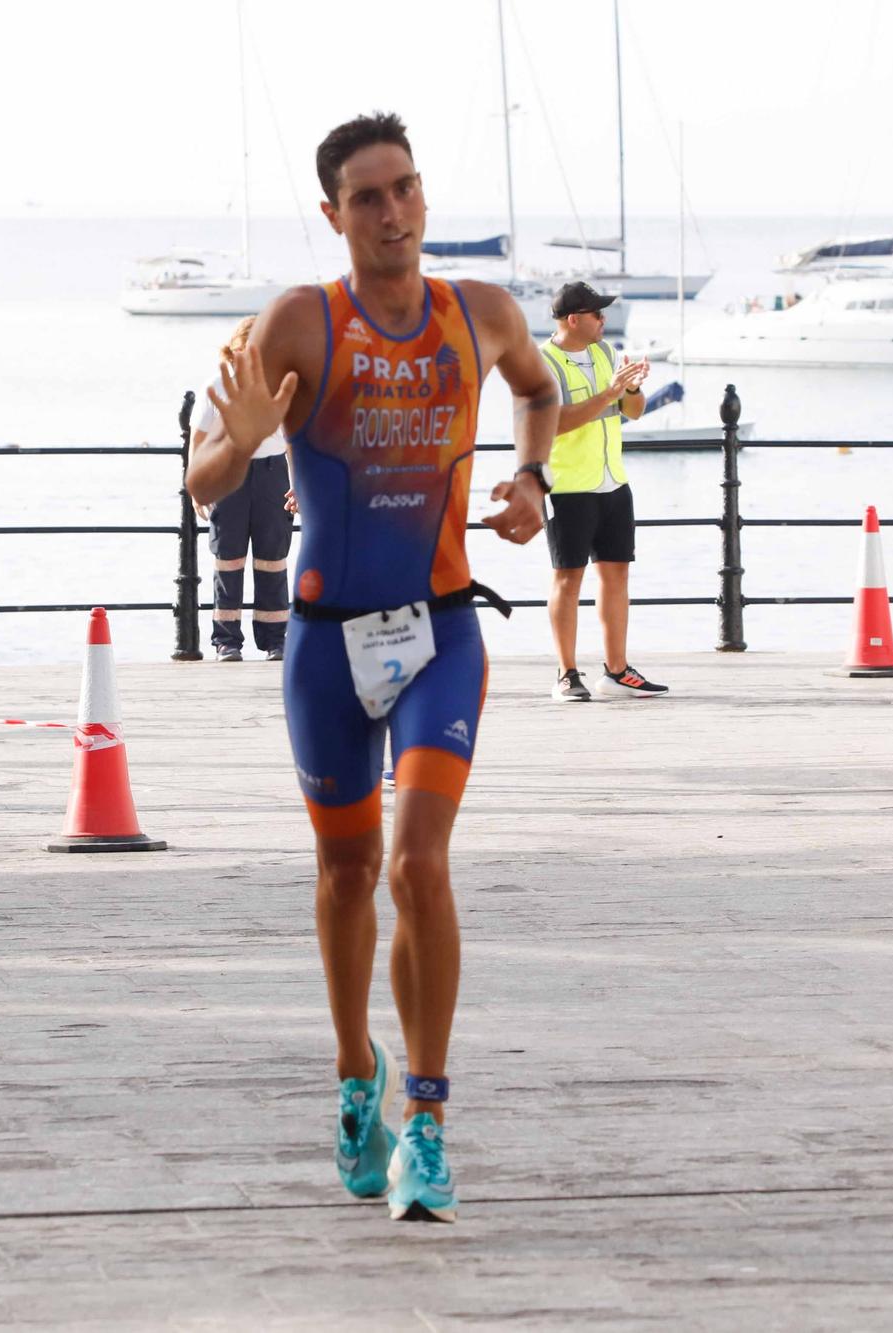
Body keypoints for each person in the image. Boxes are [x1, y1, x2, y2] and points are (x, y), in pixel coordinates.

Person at [186, 111, 559, 1223]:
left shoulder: (480, 313)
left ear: (422, 196)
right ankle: (360, 1078)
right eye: (366, 197)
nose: (391, 212)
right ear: (332, 213)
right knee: (347, 875)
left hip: (441, 628)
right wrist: (243, 437)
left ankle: (431, 1125)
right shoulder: (300, 323)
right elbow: (205, 485)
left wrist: (532, 485)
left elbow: (538, 393)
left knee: (416, 867)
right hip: (323, 643)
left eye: (404, 190)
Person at [536, 282, 667, 702]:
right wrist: (609, 392)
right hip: (567, 487)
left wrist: (630, 388)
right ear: (574, 319)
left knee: (616, 574)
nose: (604, 321)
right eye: (597, 314)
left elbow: (634, 412)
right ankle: (566, 674)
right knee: (567, 579)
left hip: (613, 482)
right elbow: (554, 422)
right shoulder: (541, 363)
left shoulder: (606, 354)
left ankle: (616, 671)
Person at [192, 316, 292, 661]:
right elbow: (200, 439)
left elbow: (294, 440)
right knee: (228, 560)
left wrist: (299, 485)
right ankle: (226, 641)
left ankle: (276, 640)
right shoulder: (216, 387)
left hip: (271, 474)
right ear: (233, 351)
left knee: (273, 559)